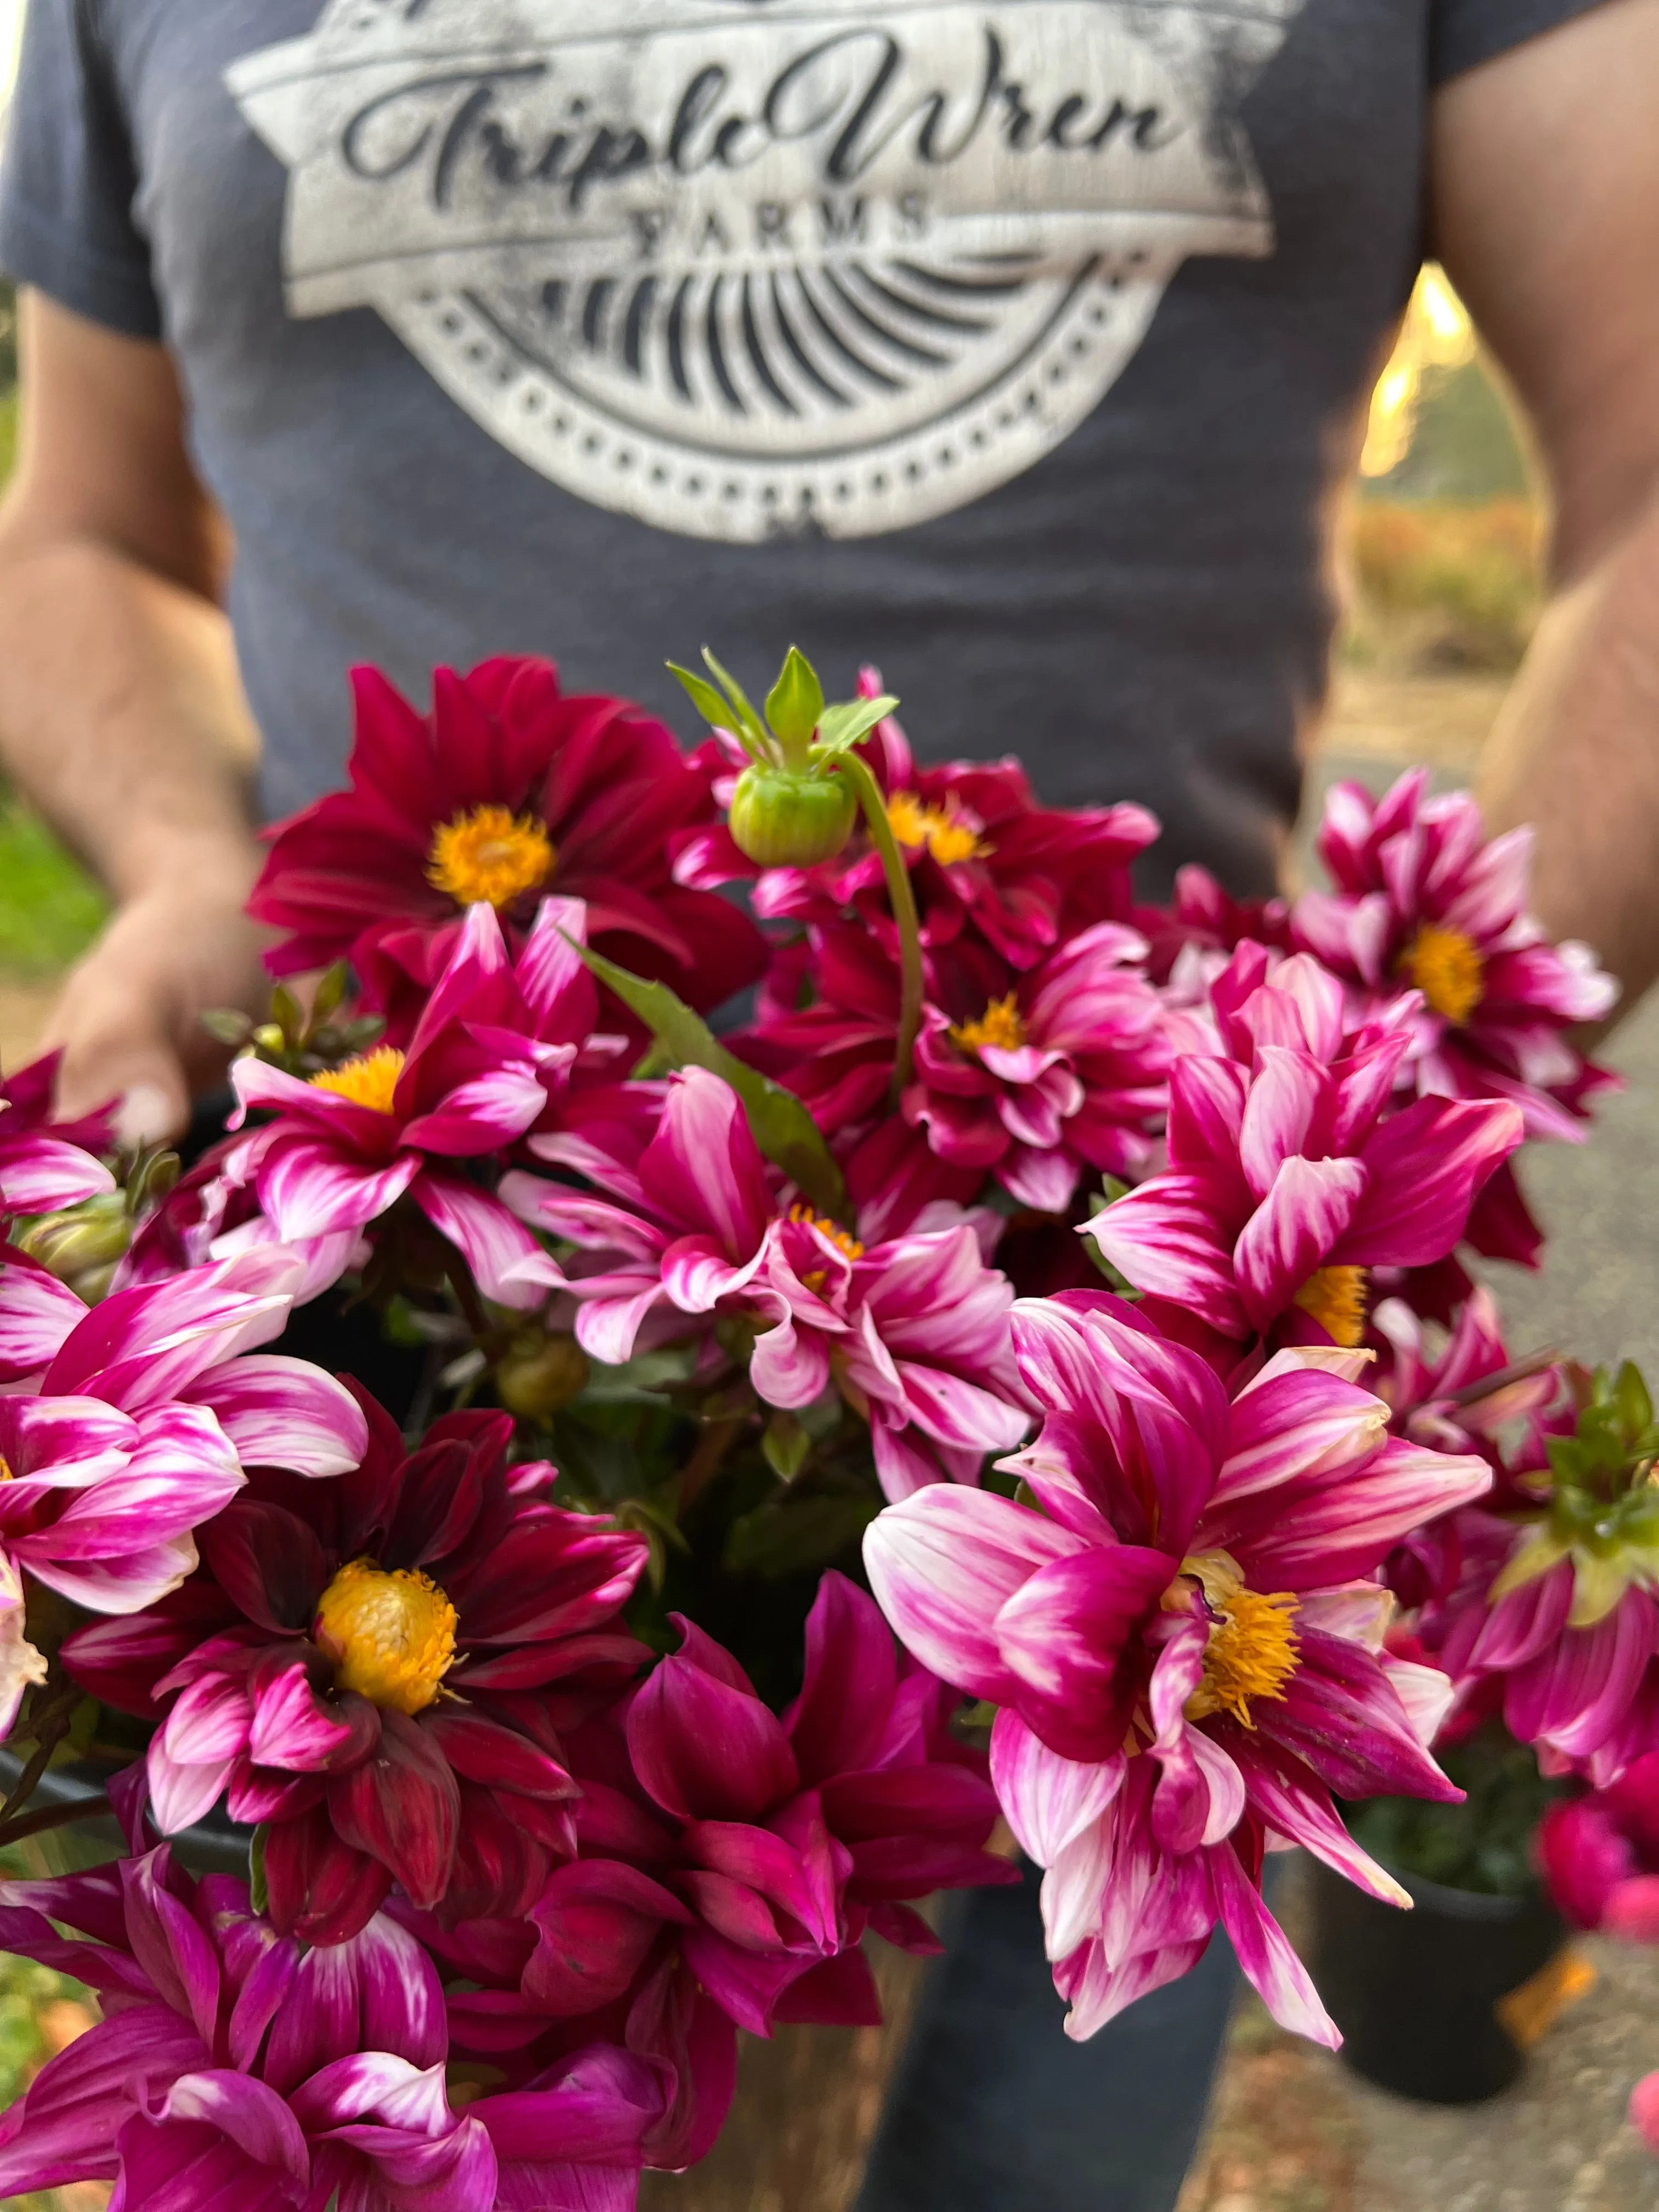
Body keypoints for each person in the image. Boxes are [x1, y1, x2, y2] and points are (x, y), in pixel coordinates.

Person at [0, 2, 1655, 2206]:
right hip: (357, 1353)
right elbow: (74, 540)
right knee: (361, 2134)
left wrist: (1384, 1118)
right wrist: (201, 876)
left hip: (1147, 1416)